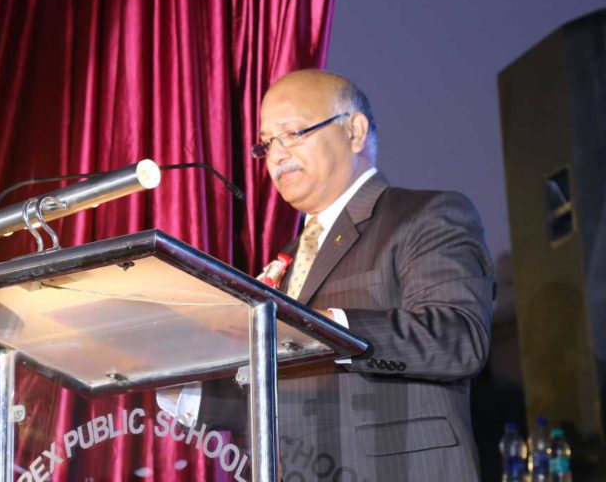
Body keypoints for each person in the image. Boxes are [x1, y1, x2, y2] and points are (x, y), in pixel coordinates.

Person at [162, 69, 494, 481]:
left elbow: (458, 338)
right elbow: (291, 391)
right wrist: (177, 383)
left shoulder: (425, 216)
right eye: (267, 143)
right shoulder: (290, 256)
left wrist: (325, 328)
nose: (277, 155)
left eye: (293, 133)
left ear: (354, 131)